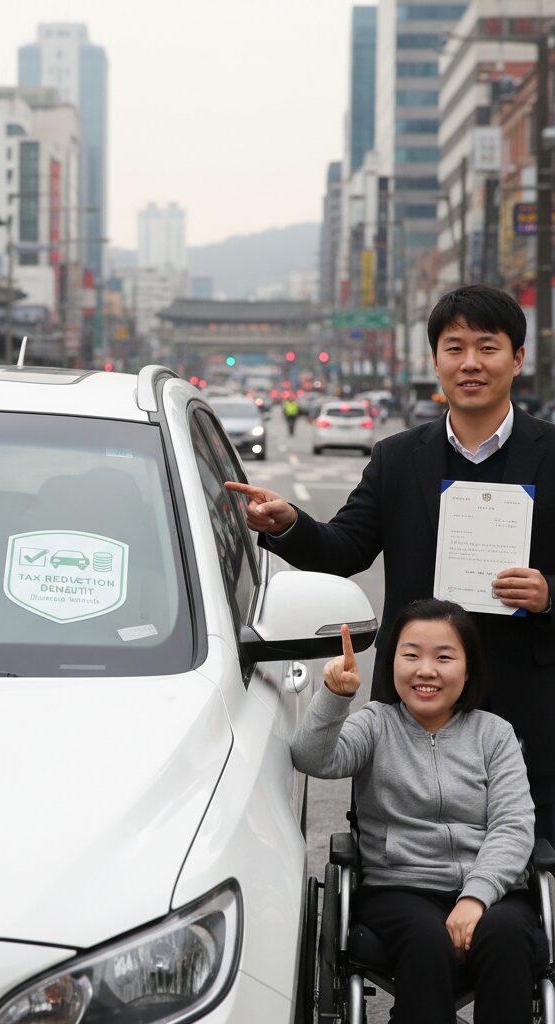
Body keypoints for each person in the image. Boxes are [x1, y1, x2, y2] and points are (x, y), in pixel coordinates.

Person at [225, 285, 555, 839]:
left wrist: (549, 592)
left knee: (525, 860)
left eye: (487, 347)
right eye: (454, 348)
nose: (470, 363)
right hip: (415, 697)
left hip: (526, 697)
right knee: (399, 857)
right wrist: (287, 523)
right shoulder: (398, 457)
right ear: (435, 362)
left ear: (517, 359)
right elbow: (346, 548)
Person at [292, 600, 545, 1024]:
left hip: (493, 891)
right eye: (411, 655)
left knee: (506, 938)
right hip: (400, 889)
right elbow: (313, 758)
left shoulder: (495, 735)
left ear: (468, 669)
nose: (426, 670)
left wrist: (476, 896)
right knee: (428, 942)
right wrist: (335, 697)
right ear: (392, 663)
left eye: (444, 657)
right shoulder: (375, 725)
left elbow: (513, 824)